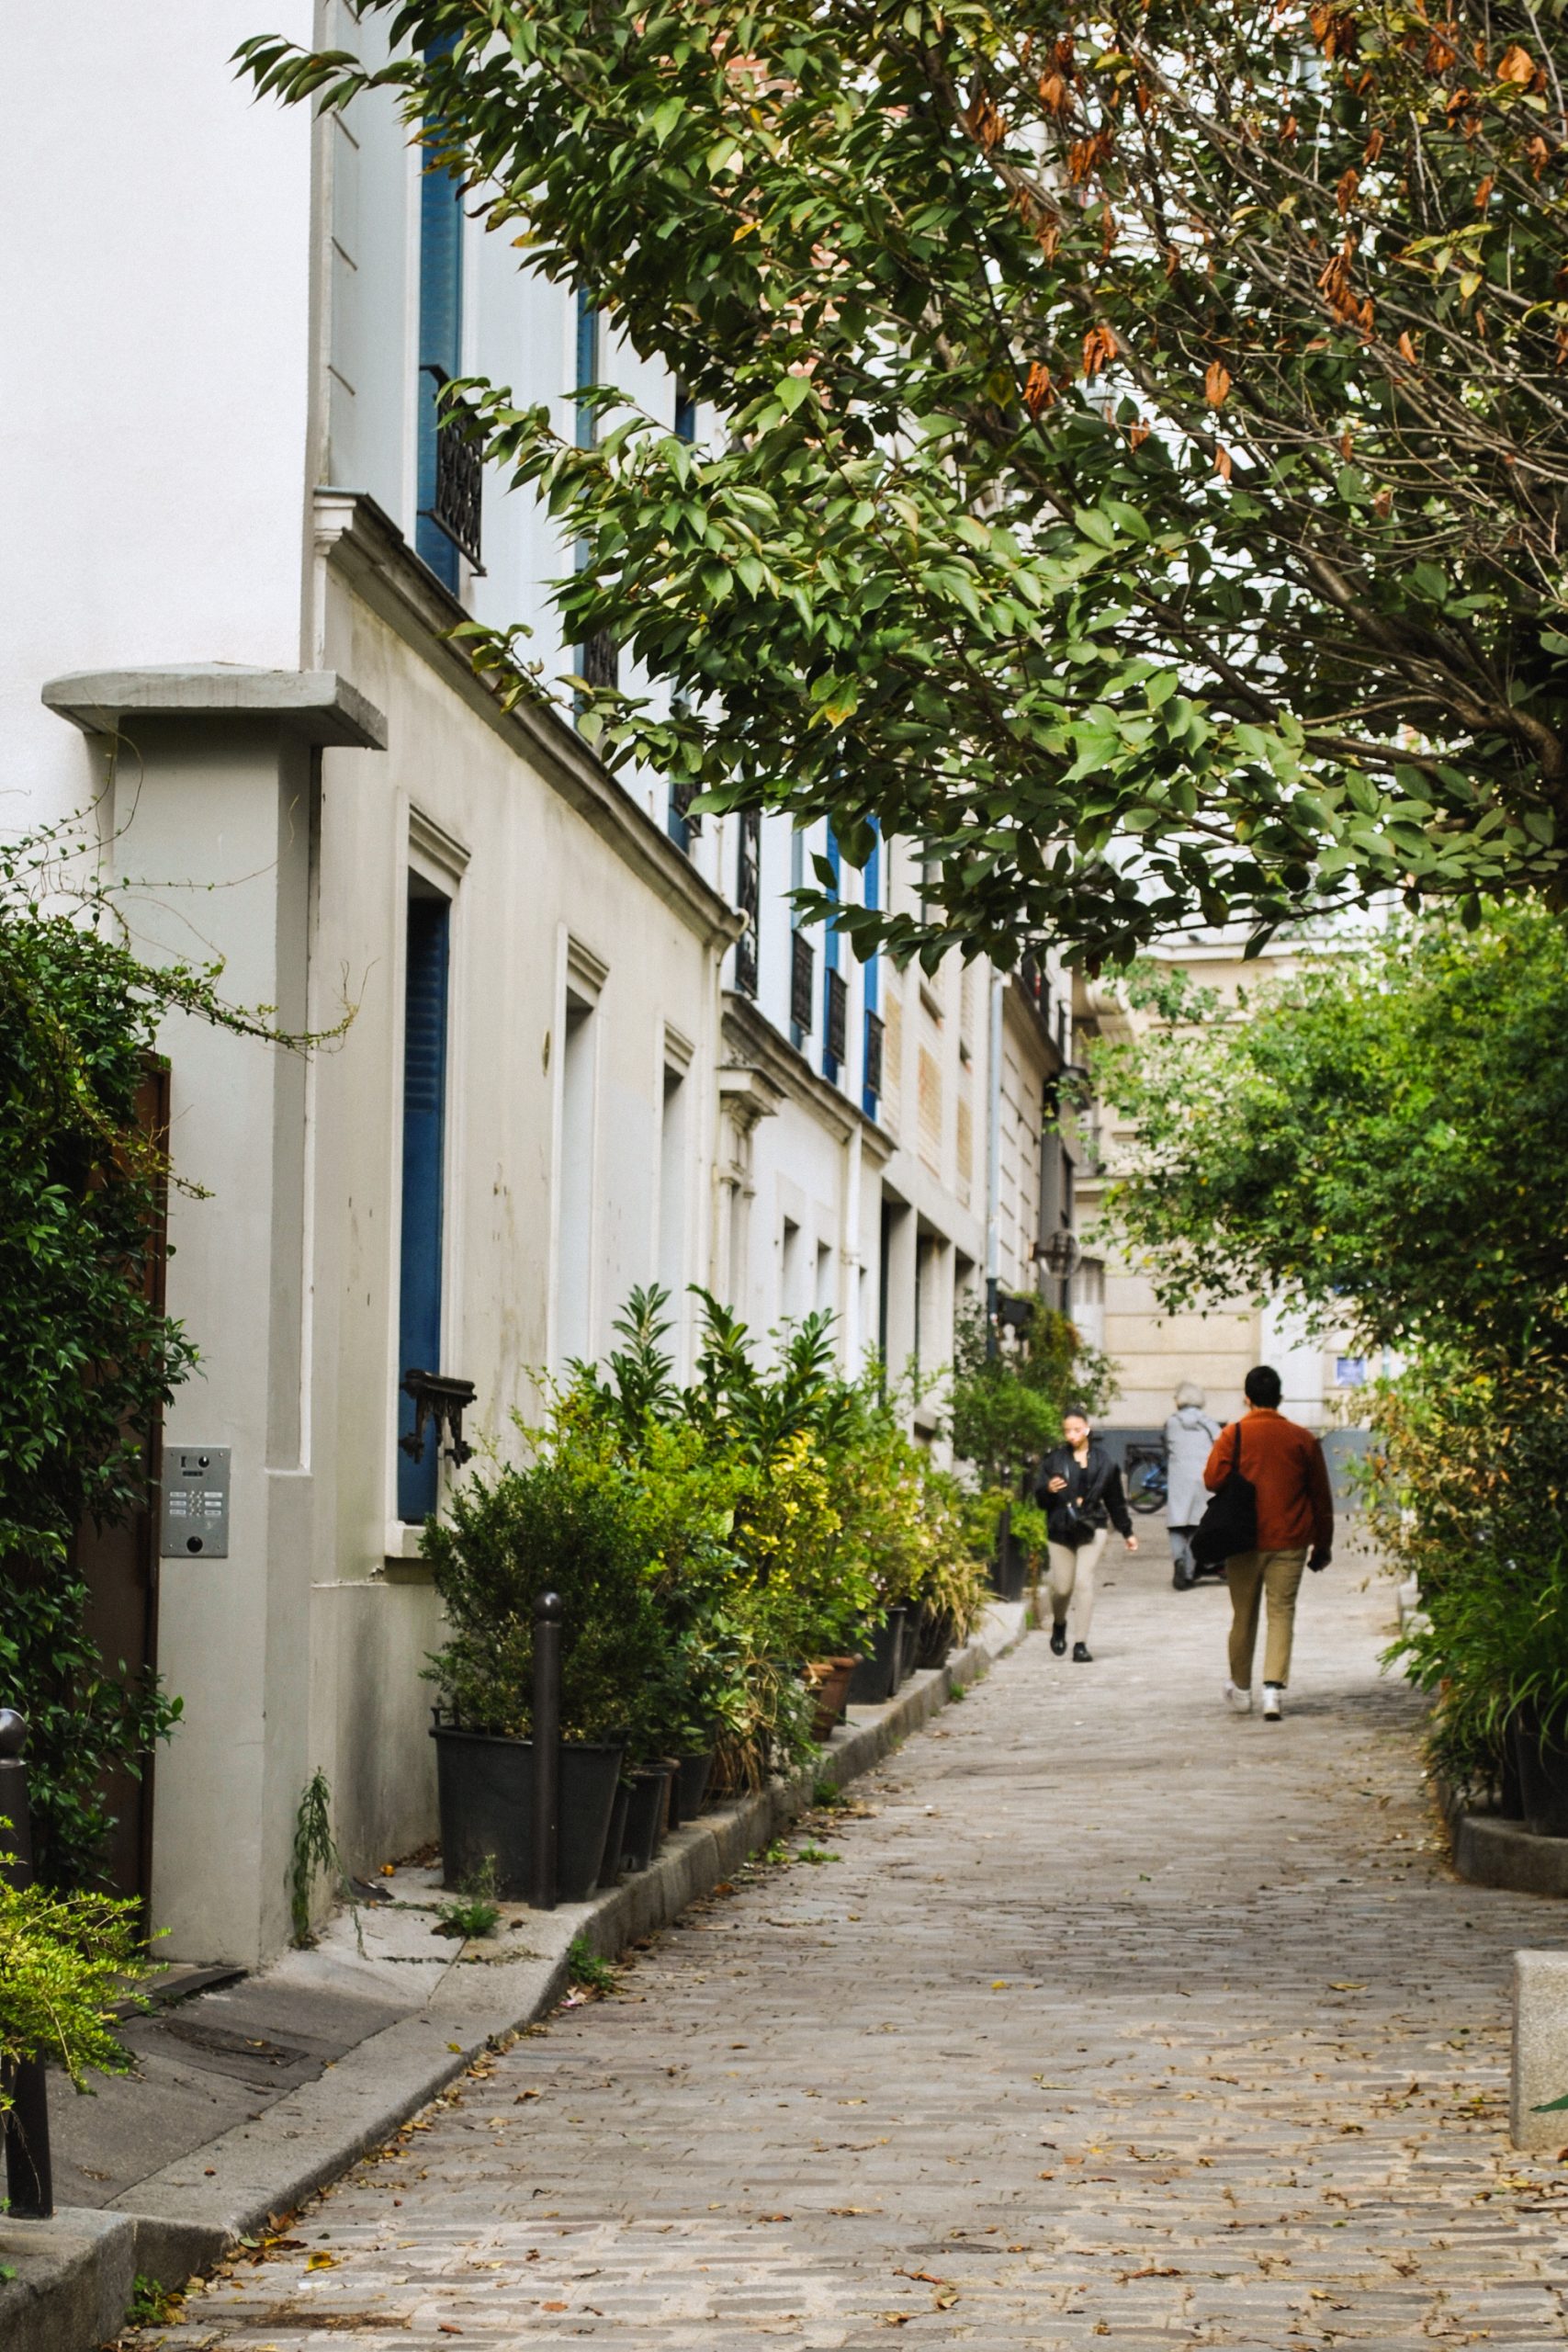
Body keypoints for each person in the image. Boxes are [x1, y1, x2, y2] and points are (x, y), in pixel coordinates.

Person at [1204, 1364, 1334, 1722]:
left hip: (1243, 1539)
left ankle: (1242, 1691)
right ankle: (1273, 1691)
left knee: (1242, 1615)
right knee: (1281, 1613)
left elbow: (1212, 1479)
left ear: (1247, 1398)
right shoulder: (1301, 1438)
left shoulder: (1233, 1434)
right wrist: (1323, 1543)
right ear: (1279, 1398)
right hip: (1289, 1540)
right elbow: (1321, 1497)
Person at [1036, 1408, 1138, 1664]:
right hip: (1060, 1529)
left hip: (1093, 1527)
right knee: (1062, 1588)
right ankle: (1060, 1624)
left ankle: (1080, 1643)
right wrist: (1048, 1489)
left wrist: (1127, 1531)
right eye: (1067, 1430)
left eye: (1077, 1429)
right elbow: (1040, 1499)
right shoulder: (1054, 1461)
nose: (1072, 1435)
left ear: (1087, 1428)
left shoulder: (1104, 1462)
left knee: (1083, 1581)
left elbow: (1115, 1500)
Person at [1165, 1381, 1221, 1591]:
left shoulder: (1172, 1422)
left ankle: (1178, 1560)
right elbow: (1221, 1443)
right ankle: (1188, 1569)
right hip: (1202, 1477)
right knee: (1198, 1523)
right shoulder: (1208, 1422)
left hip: (1178, 1477)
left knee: (1177, 1523)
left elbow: (1170, 1444)